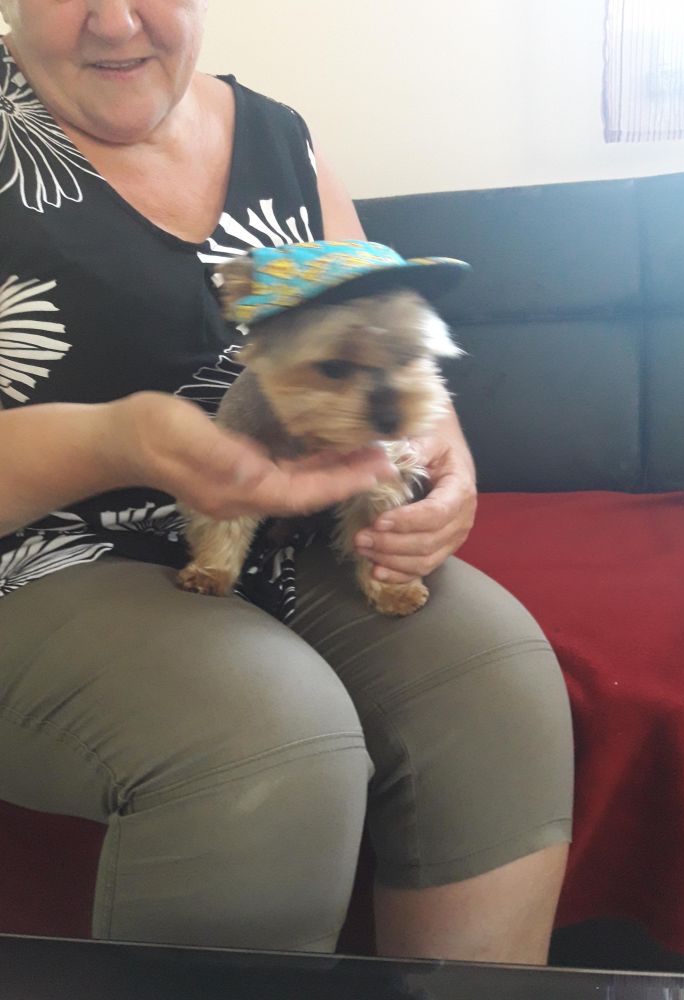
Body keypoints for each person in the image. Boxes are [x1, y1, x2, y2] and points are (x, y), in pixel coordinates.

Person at [0, 0, 574, 965]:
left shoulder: (280, 136)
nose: (116, 20)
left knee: (494, 685)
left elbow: (388, 328)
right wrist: (116, 441)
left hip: (285, 517)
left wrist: (444, 459)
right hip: (39, 548)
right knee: (267, 743)